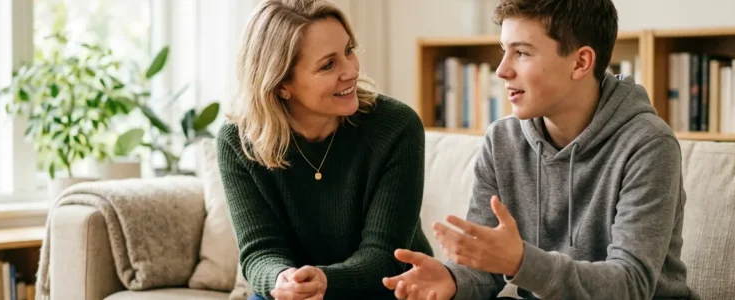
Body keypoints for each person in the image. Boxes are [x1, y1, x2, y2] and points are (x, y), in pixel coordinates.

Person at [382, 0, 700, 299]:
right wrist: (452, 280)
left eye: (521, 52)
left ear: (580, 62)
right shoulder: (502, 140)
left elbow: (631, 284)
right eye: (504, 50)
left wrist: (522, 261)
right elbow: (484, 271)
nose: (501, 70)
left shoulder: (647, 144)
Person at [217, 0, 433, 299]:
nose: (351, 71)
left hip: (388, 288)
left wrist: (325, 281)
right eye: (328, 64)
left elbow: (386, 254)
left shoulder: (397, 127)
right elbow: (260, 250)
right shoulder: (239, 141)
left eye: (349, 51)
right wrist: (282, 281)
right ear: (281, 84)